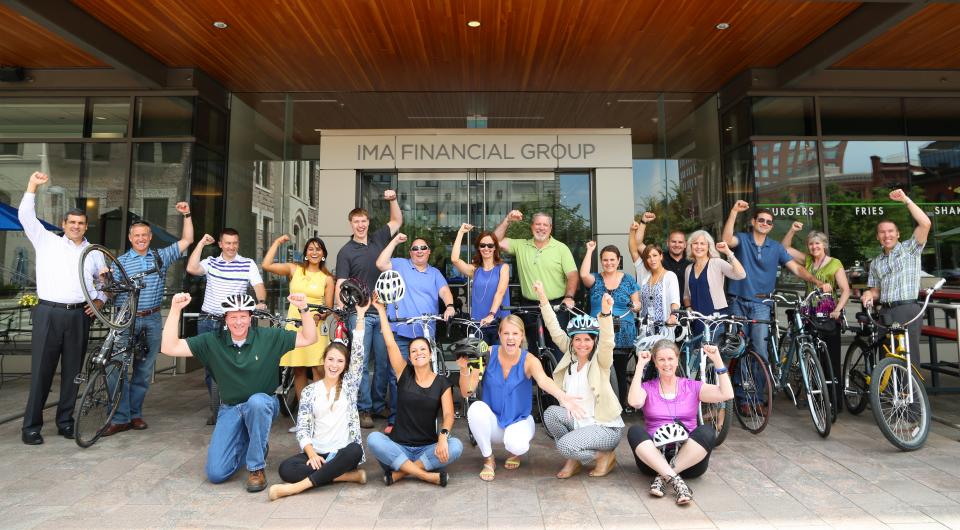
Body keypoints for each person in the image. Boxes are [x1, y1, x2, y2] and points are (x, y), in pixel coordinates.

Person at [160, 292, 317, 493]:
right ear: (226, 319)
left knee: (257, 402)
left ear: (250, 318)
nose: (239, 322)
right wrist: (174, 310)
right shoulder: (212, 341)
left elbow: (309, 338)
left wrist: (304, 309)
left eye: (243, 316)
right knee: (216, 474)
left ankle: (256, 467)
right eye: (233, 317)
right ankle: (255, 442)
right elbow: (169, 347)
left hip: (263, 403)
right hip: (231, 408)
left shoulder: (269, 337)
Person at [19, 171, 106, 445]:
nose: (76, 226)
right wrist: (32, 186)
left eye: (81, 223)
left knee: (73, 373)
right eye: (72, 222)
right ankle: (31, 427)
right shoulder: (47, 241)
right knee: (42, 373)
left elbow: (103, 283)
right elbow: (26, 217)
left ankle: (65, 422)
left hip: (79, 315)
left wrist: (101, 300)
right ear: (63, 224)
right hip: (48, 313)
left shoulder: (94, 252)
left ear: (86, 226)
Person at [268, 296, 373, 501]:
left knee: (355, 450)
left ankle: (296, 488)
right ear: (323, 361)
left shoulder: (349, 386)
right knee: (286, 469)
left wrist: (360, 316)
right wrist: (312, 454)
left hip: (342, 454)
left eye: (340, 361)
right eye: (331, 359)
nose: (334, 365)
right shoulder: (309, 391)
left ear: (345, 365)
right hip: (318, 455)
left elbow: (359, 355)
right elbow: (303, 429)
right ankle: (342, 476)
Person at [102, 203, 194, 436]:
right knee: (116, 369)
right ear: (130, 238)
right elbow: (111, 295)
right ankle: (121, 416)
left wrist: (187, 214)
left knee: (143, 371)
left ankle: (135, 415)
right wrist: (105, 284)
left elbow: (187, 239)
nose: (141, 239)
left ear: (150, 237)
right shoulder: (119, 262)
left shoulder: (160, 256)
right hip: (126, 320)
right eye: (137, 236)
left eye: (145, 235)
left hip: (152, 319)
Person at [460, 314, 585, 481]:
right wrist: (463, 370)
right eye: (506, 333)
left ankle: (514, 452)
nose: (510, 338)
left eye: (515, 333)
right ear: (499, 335)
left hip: (519, 420)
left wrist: (563, 397)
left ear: (522, 336)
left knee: (517, 444)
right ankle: (488, 458)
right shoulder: (486, 354)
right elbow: (467, 392)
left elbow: (543, 380)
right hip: (494, 424)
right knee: (475, 409)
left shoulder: (529, 360)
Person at [721, 200, 832, 366]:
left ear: (771, 227)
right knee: (737, 347)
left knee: (759, 348)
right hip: (737, 300)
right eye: (761, 220)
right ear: (753, 222)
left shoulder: (776, 247)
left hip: (762, 303)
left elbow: (797, 269)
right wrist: (734, 212)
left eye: (768, 222)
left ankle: (757, 390)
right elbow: (727, 240)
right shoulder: (743, 239)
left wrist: (816, 281)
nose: (765, 223)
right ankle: (739, 388)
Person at [367, 295, 463, 487]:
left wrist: (443, 437)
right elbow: (390, 343)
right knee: (374, 439)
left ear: (430, 354)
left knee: (456, 446)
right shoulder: (404, 373)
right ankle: (426, 475)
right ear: (409, 357)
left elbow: (449, 415)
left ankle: (400, 473)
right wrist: (381, 310)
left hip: (427, 448)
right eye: (414, 351)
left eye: (423, 349)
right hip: (398, 446)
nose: (419, 353)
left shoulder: (442, 383)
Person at [626, 339, 733, 505]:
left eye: (670, 359)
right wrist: (640, 366)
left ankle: (664, 477)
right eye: (661, 359)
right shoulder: (647, 387)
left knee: (707, 431)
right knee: (634, 431)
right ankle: (676, 482)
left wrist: (718, 360)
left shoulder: (692, 386)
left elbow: (726, 394)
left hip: (690, 461)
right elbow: (633, 401)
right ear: (654, 362)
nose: (666, 364)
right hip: (654, 460)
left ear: (677, 360)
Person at [534, 282, 624, 479]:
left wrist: (606, 314)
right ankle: (574, 456)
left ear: (594, 341)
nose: (582, 344)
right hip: (579, 422)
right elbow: (554, 329)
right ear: (572, 341)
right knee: (550, 414)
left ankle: (602, 456)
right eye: (578, 339)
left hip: (604, 428)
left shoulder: (601, 360)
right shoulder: (570, 355)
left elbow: (608, 341)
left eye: (588, 339)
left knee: (564, 446)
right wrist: (542, 297)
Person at [335, 190, 402, 429]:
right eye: (356, 222)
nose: (360, 225)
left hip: (381, 312)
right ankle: (363, 409)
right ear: (351, 224)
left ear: (367, 222)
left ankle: (376, 405)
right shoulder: (345, 252)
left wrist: (392, 200)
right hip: (359, 314)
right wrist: (340, 309)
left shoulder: (379, 238)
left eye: (363, 221)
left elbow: (397, 221)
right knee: (361, 363)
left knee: (383, 362)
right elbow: (341, 283)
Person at [375, 232, 456, 430]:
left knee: (429, 375)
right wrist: (394, 240)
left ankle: (427, 419)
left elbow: (444, 291)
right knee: (398, 378)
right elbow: (380, 263)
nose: (419, 251)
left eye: (423, 248)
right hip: (401, 331)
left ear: (428, 252)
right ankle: (396, 419)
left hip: (426, 334)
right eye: (415, 248)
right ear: (410, 252)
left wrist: (450, 305)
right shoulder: (401, 265)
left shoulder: (435, 273)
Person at [187, 229, 267, 425]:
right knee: (209, 368)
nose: (231, 247)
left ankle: (232, 405)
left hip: (232, 322)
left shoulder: (247, 263)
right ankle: (217, 407)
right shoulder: (211, 263)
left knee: (234, 364)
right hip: (207, 319)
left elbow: (258, 286)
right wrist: (201, 244)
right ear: (221, 244)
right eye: (228, 243)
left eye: (235, 243)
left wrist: (262, 302)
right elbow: (191, 268)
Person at [262, 235, 334, 417]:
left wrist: (321, 315)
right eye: (311, 249)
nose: (314, 252)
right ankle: (305, 415)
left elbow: (329, 307)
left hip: (316, 327)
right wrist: (277, 242)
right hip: (295, 325)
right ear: (305, 253)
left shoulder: (327, 278)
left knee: (318, 369)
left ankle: (320, 413)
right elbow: (266, 265)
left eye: (318, 249)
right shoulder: (295, 269)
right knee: (299, 368)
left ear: (323, 254)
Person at [782, 222, 851, 405]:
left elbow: (845, 290)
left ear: (824, 245)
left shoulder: (835, 263)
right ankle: (819, 398)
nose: (814, 247)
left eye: (817, 243)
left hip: (829, 313)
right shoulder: (808, 261)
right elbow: (785, 248)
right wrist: (793, 230)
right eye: (811, 244)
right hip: (810, 314)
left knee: (831, 357)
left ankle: (835, 400)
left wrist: (838, 309)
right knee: (813, 356)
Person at [493, 210, 578, 358]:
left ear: (550, 228)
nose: (541, 227)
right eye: (538, 224)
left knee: (559, 348)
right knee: (533, 350)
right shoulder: (521, 245)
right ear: (532, 227)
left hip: (556, 305)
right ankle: (537, 380)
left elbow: (572, 275)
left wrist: (569, 296)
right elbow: (493, 241)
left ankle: (558, 380)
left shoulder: (561, 248)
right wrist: (508, 220)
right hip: (530, 306)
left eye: (545, 225)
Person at [861, 189, 931, 363]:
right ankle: (889, 390)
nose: (887, 235)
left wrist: (906, 200)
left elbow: (925, 224)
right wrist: (869, 294)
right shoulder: (876, 262)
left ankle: (911, 391)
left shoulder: (910, 249)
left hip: (908, 309)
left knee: (908, 359)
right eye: (883, 232)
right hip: (885, 311)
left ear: (898, 234)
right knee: (886, 358)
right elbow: (876, 290)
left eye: (891, 231)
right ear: (878, 237)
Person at [579, 241, 640, 408]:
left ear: (619, 260)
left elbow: (637, 303)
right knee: (598, 370)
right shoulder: (595, 279)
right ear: (601, 261)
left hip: (622, 329)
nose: (609, 263)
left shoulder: (628, 279)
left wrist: (635, 307)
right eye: (605, 260)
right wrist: (590, 250)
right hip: (597, 329)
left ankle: (619, 406)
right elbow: (583, 274)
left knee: (619, 370)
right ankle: (598, 406)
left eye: (612, 260)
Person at [451, 223, 510, 346]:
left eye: (490, 245)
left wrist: (491, 315)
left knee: (499, 361)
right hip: (479, 323)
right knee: (480, 362)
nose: (486, 248)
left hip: (500, 323)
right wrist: (461, 232)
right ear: (478, 247)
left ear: (495, 248)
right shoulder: (475, 270)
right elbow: (455, 259)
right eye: (482, 245)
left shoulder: (503, 268)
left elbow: (500, 293)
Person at [682, 230, 745, 340]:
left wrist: (728, 252)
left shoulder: (716, 263)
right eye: (695, 243)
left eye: (702, 243)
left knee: (714, 352)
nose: (698, 247)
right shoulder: (688, 269)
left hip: (716, 317)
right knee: (699, 352)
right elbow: (686, 295)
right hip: (698, 318)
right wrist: (688, 307)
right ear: (690, 246)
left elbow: (741, 275)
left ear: (708, 246)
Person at [630, 211, 691, 302]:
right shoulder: (658, 257)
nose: (677, 244)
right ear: (667, 243)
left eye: (680, 242)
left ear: (685, 244)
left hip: (688, 309)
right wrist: (643, 222)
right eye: (673, 241)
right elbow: (638, 244)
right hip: (664, 308)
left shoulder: (691, 261)